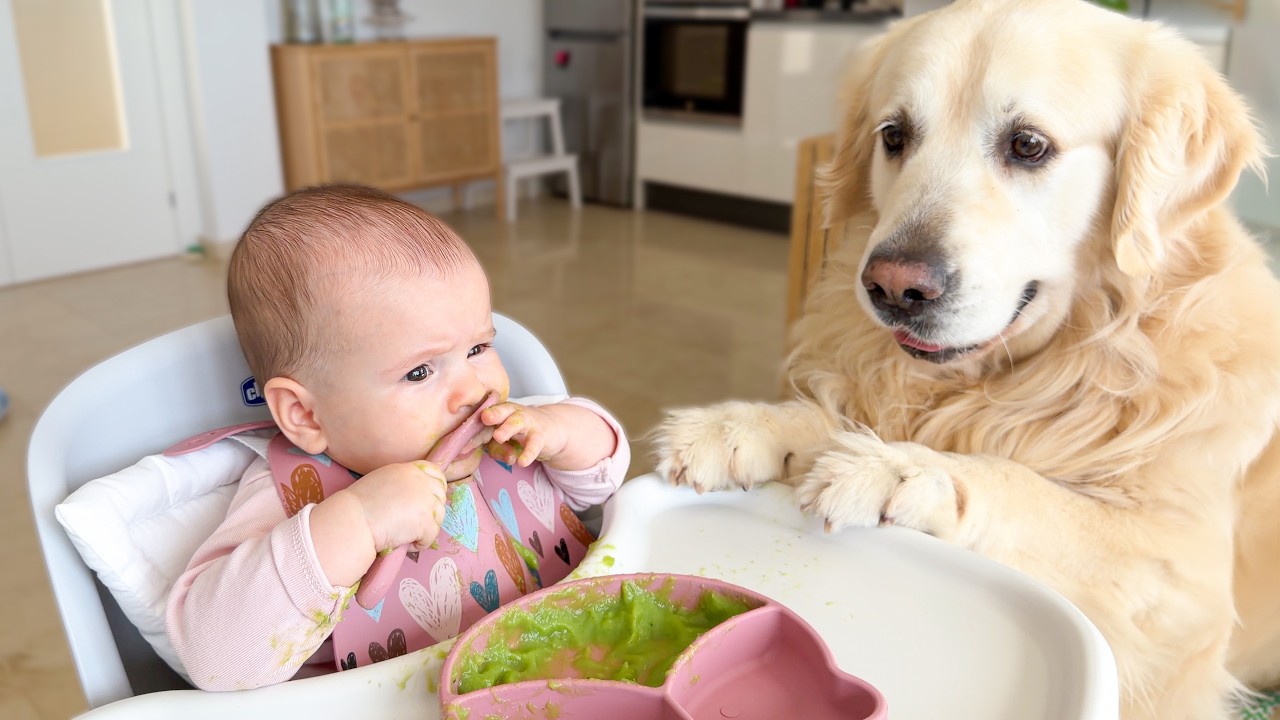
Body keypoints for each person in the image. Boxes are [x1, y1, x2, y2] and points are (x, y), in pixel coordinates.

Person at [166, 185, 629, 690]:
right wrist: (358, 521)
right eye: (419, 373)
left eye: (478, 347)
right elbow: (215, 656)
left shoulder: (508, 435)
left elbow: (601, 487)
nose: (474, 391)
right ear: (305, 414)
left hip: (577, 666)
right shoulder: (291, 496)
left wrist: (562, 430)